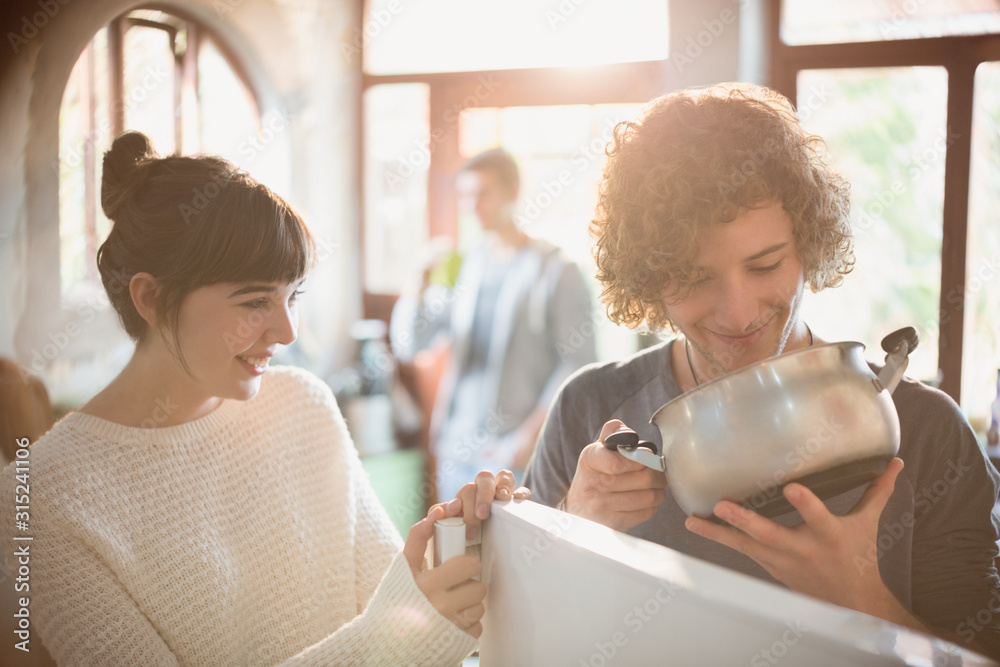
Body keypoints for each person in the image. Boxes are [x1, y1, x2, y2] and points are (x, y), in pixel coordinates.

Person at [0, 131, 529, 666]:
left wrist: (475, 547)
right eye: (255, 301)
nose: (287, 330)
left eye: (292, 295)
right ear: (151, 297)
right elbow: (383, 642)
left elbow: (396, 619)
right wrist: (391, 637)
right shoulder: (38, 500)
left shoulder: (303, 406)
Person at [524, 82, 1000, 657]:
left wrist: (863, 599)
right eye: (695, 279)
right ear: (646, 277)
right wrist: (574, 527)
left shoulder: (924, 429)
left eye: (766, 264)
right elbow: (530, 638)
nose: (738, 313)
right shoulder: (590, 409)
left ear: (808, 244)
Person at [391, 148, 596, 500]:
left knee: (511, 553)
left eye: (484, 193)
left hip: (514, 454)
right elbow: (411, 345)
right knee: (458, 551)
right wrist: (418, 285)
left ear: (513, 193)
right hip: (457, 450)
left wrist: (528, 439)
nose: (473, 205)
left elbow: (579, 364)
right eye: (466, 195)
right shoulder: (466, 267)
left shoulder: (557, 270)